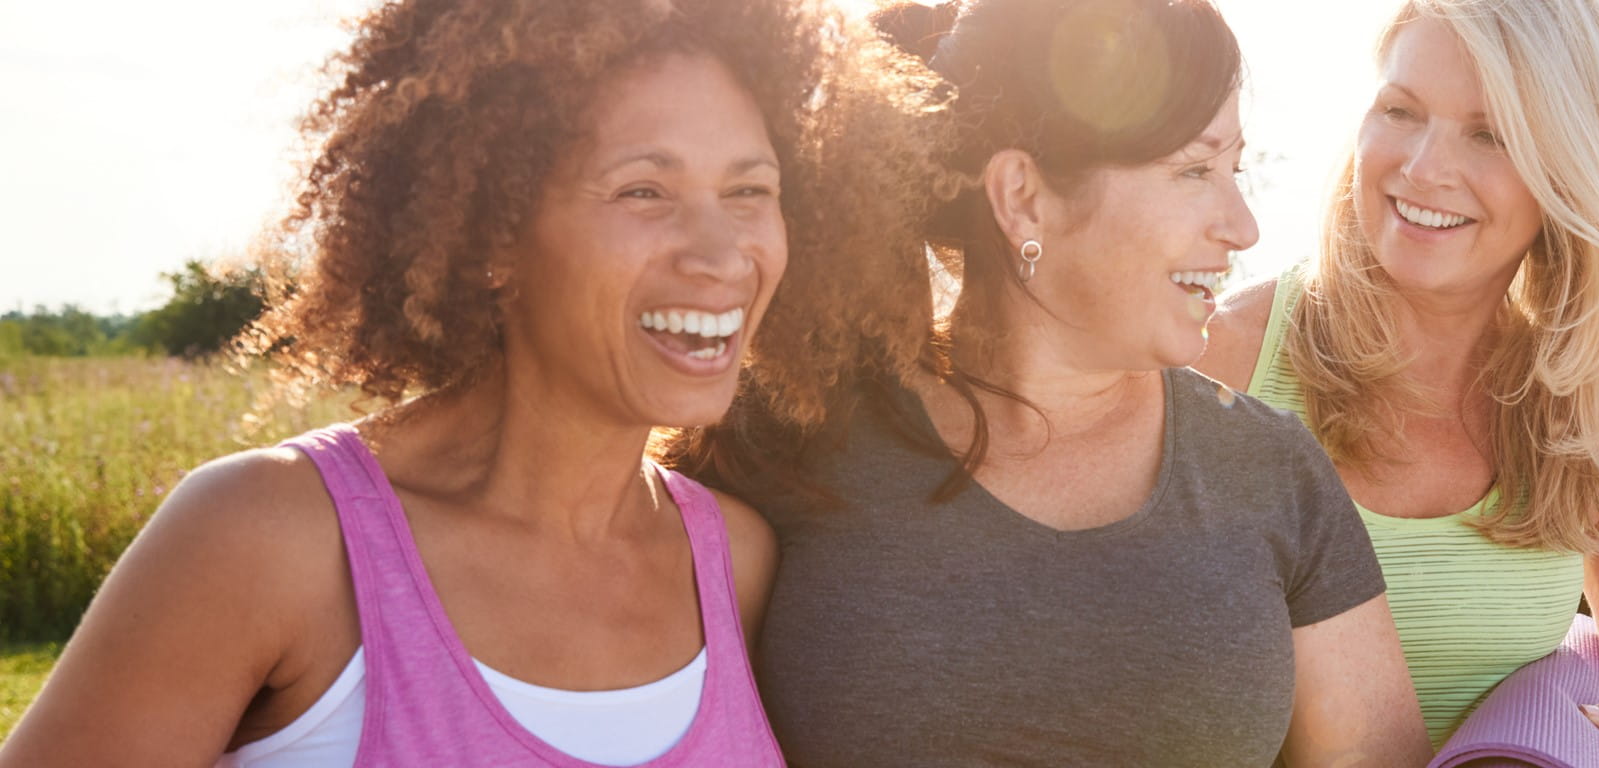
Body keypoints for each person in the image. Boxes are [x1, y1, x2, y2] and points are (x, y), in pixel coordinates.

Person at [0, 0, 932, 764]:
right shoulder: (266, 538)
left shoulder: (736, 563)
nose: (722, 255)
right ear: (493, 236)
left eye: (750, 191)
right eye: (643, 190)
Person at [666, 0, 1431, 764]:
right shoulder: (792, 432)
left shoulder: (1272, 471)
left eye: (1234, 168)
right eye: (1194, 170)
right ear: (1022, 196)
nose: (1242, 224)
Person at [1194, 0, 1599, 763]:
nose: (1424, 168)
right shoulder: (1224, 360)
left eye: (1491, 134)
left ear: (1572, 171)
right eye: (1400, 110)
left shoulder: (1597, 400)